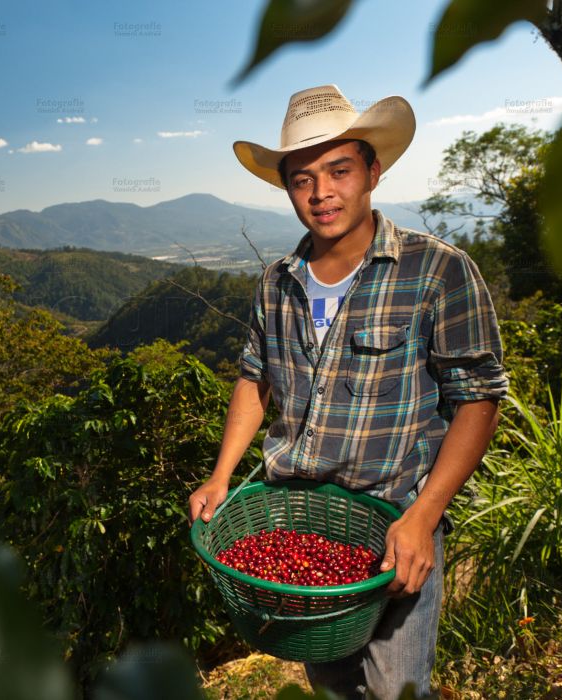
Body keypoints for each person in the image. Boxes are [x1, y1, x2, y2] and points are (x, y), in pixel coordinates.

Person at [187, 85, 507, 699]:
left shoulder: (437, 271)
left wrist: (425, 514)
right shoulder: (275, 284)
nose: (321, 193)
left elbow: (477, 399)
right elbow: (255, 377)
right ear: (287, 189)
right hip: (301, 516)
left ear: (372, 172)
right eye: (302, 179)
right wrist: (222, 474)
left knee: (397, 689)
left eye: (339, 170)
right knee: (331, 682)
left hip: (397, 521)